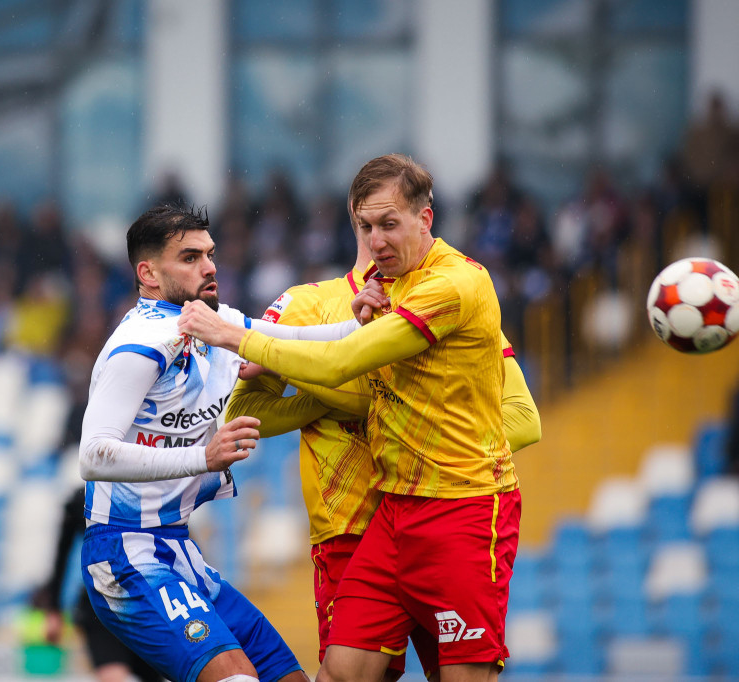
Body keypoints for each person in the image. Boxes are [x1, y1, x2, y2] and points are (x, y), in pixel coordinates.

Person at [179, 154, 532, 682]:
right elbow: (249, 407)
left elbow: (524, 420)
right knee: (343, 674)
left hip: (461, 510)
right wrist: (320, 377)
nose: (376, 240)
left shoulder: (454, 285)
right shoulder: (347, 297)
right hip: (380, 520)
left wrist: (236, 335)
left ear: (425, 219)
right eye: (366, 226)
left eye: (389, 224)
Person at [77, 203, 356, 682]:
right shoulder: (140, 344)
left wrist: (371, 320)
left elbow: (300, 340)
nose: (209, 266)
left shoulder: (214, 323)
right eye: (189, 258)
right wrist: (203, 457)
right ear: (147, 272)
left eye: (209, 254)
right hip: (125, 553)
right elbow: (92, 455)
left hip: (182, 550)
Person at [40, 486, 163, 682]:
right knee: (113, 677)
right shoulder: (82, 498)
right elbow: (61, 555)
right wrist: (54, 609)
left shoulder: (151, 495)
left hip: (146, 605)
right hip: (100, 605)